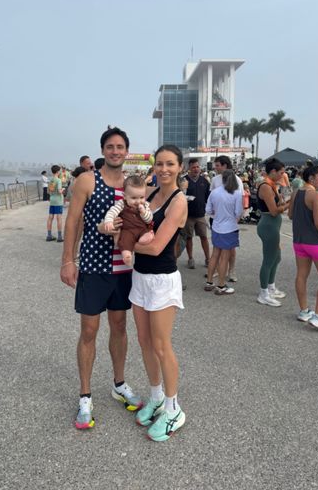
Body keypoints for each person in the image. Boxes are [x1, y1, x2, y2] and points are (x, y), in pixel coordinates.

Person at [60, 126, 142, 430]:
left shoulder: (133, 184)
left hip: (123, 268)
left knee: (119, 326)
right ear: (103, 150)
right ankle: (85, 395)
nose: (115, 151)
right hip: (94, 267)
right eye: (110, 146)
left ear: (127, 151)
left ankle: (119, 383)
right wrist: (68, 260)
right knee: (89, 331)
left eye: (120, 147)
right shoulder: (87, 180)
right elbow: (73, 222)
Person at [130, 144, 187, 442]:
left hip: (162, 280)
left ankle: (173, 409)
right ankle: (156, 396)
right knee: (144, 341)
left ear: (179, 167)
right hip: (140, 277)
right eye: (159, 164)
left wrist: (121, 243)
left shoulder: (178, 201)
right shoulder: (150, 194)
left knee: (162, 345)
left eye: (170, 164)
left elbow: (155, 247)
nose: (164, 169)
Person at [288, 165, 318, 332]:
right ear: (311, 178)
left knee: (301, 275)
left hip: (299, 242)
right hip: (316, 243)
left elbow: (290, 215)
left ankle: (304, 311)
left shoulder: (296, 193)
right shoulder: (316, 195)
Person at [256, 158, 290, 306]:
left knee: (276, 257)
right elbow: (274, 211)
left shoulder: (271, 185)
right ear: (273, 171)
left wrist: (283, 201)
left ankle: (270, 287)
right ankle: (263, 293)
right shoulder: (266, 186)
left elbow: (277, 206)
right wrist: (289, 204)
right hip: (268, 225)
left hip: (272, 225)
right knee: (269, 259)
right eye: (281, 173)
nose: (283, 176)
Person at [204, 170, 243, 295]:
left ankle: (209, 282)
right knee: (225, 257)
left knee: (215, 255)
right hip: (230, 227)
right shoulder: (237, 193)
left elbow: (208, 210)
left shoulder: (214, 192)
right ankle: (221, 285)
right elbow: (238, 212)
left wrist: (216, 214)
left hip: (216, 226)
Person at [104, 174, 154, 266]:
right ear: (125, 196)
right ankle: (126, 255)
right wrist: (109, 221)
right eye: (134, 198)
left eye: (141, 197)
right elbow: (112, 212)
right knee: (125, 240)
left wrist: (143, 213)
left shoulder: (146, 205)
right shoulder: (122, 204)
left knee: (146, 232)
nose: (138, 201)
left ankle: (145, 238)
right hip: (128, 230)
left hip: (142, 229)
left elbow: (149, 220)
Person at [210, 155, 244, 282]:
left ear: (225, 165)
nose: (215, 168)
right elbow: (211, 197)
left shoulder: (237, 180)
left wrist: (237, 218)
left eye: (218, 165)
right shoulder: (215, 179)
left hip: (230, 220)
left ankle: (231, 270)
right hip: (216, 218)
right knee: (217, 246)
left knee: (231, 248)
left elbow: (240, 199)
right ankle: (218, 270)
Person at [183, 158, 211, 269]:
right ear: (189, 168)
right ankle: (190, 259)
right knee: (188, 238)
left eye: (197, 167)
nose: (196, 169)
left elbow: (209, 198)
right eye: (193, 167)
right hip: (188, 216)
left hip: (200, 215)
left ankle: (208, 259)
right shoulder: (184, 181)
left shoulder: (204, 181)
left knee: (204, 237)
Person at [46, 165, 64, 242]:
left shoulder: (51, 180)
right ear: (57, 171)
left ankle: (49, 235)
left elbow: (48, 191)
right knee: (59, 218)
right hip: (58, 201)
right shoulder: (58, 180)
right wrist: (63, 189)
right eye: (60, 171)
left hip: (52, 200)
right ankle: (59, 237)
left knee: (50, 217)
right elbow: (59, 191)